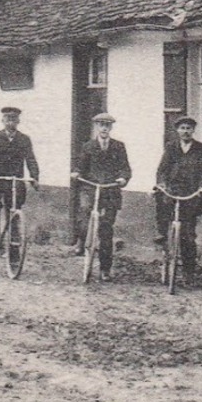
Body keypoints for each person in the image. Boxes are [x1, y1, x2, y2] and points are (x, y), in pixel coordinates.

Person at [71, 112, 132, 282]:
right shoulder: (88, 146)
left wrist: (123, 178)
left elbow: (125, 167)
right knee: (84, 213)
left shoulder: (119, 146)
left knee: (106, 231)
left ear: (111, 127)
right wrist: (76, 173)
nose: (104, 128)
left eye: (107, 125)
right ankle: (81, 240)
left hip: (110, 190)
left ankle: (105, 268)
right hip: (90, 188)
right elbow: (80, 165)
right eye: (101, 125)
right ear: (96, 127)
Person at [154, 116, 202, 278]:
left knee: (188, 235)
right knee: (160, 199)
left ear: (193, 130)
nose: (185, 131)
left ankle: (188, 272)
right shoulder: (171, 147)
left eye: (188, 128)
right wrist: (162, 183)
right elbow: (162, 169)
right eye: (182, 128)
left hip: (191, 193)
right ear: (177, 130)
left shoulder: (201, 149)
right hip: (172, 190)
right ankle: (162, 233)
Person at [0, 106, 41, 239]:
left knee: (14, 209)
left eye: (13, 120)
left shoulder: (24, 139)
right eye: (7, 119)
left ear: (18, 121)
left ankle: (13, 245)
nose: (10, 123)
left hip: (15, 179)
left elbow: (30, 159)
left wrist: (34, 177)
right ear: (2, 121)